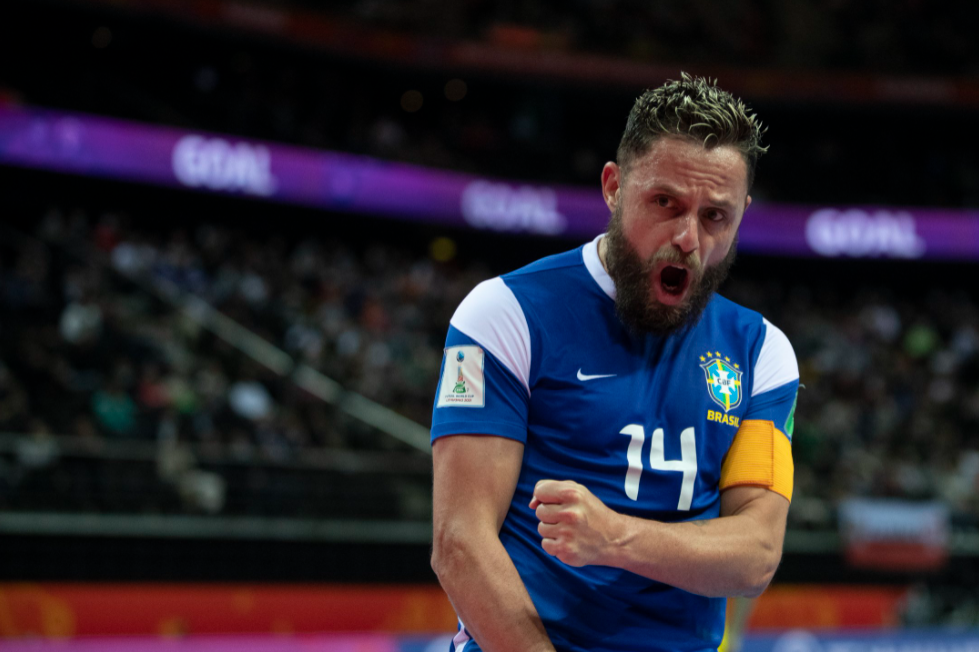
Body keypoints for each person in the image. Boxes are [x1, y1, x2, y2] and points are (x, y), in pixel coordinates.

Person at [430, 73, 799, 652]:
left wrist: (615, 538)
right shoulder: (505, 313)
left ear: (741, 215)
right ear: (613, 186)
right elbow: (459, 543)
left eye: (715, 217)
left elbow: (755, 557)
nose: (686, 237)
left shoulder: (762, 353)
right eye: (664, 202)